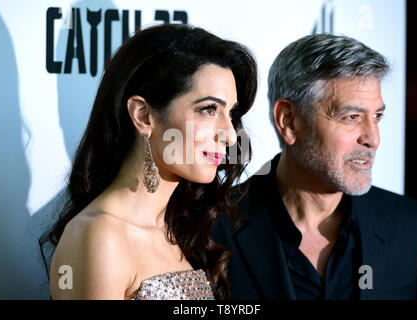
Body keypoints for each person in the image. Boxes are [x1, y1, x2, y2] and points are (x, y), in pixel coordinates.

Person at [212, 33, 417, 299]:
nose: (373, 139)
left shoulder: (410, 225)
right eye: (352, 116)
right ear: (289, 121)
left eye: (377, 116)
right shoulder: (214, 226)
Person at [40, 23, 258, 300]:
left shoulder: (179, 231)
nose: (229, 136)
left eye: (230, 113)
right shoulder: (99, 236)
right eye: (208, 109)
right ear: (143, 116)